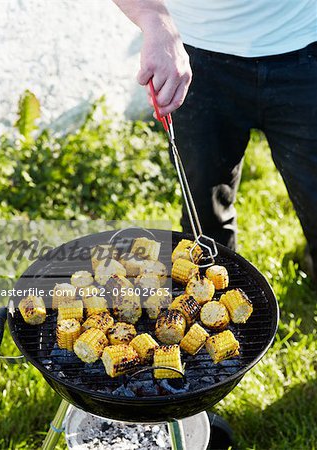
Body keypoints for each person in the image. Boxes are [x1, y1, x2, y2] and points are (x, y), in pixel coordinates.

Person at [113, 0, 317, 281]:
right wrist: (153, 18)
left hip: (305, 46)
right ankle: (215, 291)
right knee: (204, 209)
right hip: (194, 54)